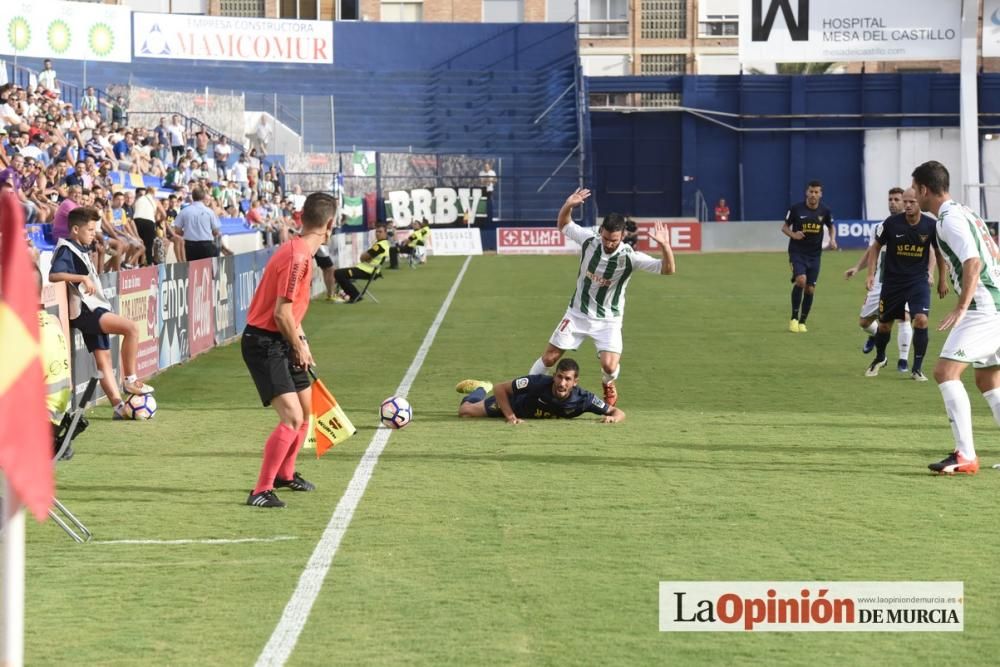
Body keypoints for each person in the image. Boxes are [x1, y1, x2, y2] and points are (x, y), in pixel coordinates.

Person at [527, 188, 675, 407]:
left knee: (609, 366)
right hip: (577, 313)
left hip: (608, 320)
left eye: (613, 240)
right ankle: (527, 391)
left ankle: (608, 384)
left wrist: (665, 246)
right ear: (600, 232)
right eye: (605, 238)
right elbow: (563, 225)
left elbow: (667, 269)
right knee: (549, 358)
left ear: (623, 236)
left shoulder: (630, 258)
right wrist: (569, 205)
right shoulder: (589, 241)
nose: (608, 243)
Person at [242, 192, 338, 508]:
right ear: (330, 224)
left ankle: (285, 474)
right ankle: (260, 490)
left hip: (284, 338)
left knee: (306, 410)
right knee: (292, 417)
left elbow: (291, 313)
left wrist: (302, 343)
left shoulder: (301, 253)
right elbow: (280, 314)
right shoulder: (298, 257)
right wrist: (296, 345)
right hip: (265, 342)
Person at [910, 161, 1000, 475]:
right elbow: (995, 254)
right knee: (988, 380)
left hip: (983, 309)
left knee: (945, 371)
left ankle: (965, 455)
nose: (913, 194)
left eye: (914, 188)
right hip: (996, 305)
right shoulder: (968, 212)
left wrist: (962, 307)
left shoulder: (947, 220)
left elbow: (973, 262)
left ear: (923, 189)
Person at [48, 207, 154, 419]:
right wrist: (82, 279)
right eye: (89, 229)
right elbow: (53, 275)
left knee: (103, 358)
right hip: (86, 311)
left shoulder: (80, 247)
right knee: (131, 328)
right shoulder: (66, 249)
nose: (93, 233)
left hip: (93, 308)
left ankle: (118, 407)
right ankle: (130, 380)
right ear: (75, 229)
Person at [862, 188, 947, 380]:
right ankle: (880, 357)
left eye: (912, 202)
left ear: (919, 202)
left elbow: (939, 252)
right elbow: (875, 248)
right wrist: (870, 274)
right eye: (906, 202)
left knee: (921, 320)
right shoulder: (891, 224)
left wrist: (941, 279)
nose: (907, 205)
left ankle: (916, 368)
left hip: (918, 282)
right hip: (892, 283)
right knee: (884, 326)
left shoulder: (931, 225)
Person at [844, 187, 915, 370]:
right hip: (879, 282)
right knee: (864, 322)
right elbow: (872, 252)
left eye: (897, 199)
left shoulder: (914, 226)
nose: (893, 202)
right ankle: (875, 335)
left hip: (903, 282)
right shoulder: (880, 227)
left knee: (904, 317)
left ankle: (903, 361)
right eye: (890, 199)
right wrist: (858, 268)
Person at [456, 358, 625, 424]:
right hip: (513, 405)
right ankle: (481, 388)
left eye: (567, 379)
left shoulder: (583, 399)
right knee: (465, 411)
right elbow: (500, 388)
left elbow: (616, 411)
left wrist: (613, 418)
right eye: (559, 377)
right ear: (554, 376)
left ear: (575, 382)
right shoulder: (536, 383)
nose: (562, 383)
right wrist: (510, 416)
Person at [782, 180, 837, 333]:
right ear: (807, 192)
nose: (813, 195)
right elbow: (784, 227)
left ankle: (802, 321)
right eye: (811, 191)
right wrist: (794, 234)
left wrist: (832, 239)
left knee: (810, 289)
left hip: (815, 255)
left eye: (816, 192)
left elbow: (831, 226)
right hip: (797, 252)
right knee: (801, 280)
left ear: (821, 194)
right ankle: (793, 318)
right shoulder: (796, 209)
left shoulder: (825, 211)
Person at [332, 224, 390, 303]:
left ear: (385, 233)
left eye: (380, 232)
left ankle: (355, 295)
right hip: (368, 270)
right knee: (341, 273)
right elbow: (366, 258)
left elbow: (363, 257)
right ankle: (348, 294)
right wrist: (366, 257)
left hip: (367, 271)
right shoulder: (384, 244)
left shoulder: (379, 246)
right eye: (376, 232)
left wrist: (364, 256)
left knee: (338, 273)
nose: (377, 233)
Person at [173, 185, 220, 261]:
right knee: (207, 270)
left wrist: (187, 233)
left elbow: (177, 230)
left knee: (192, 270)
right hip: (206, 245)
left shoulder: (184, 211)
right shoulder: (209, 212)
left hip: (190, 245)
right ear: (203, 197)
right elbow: (216, 232)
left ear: (192, 196)